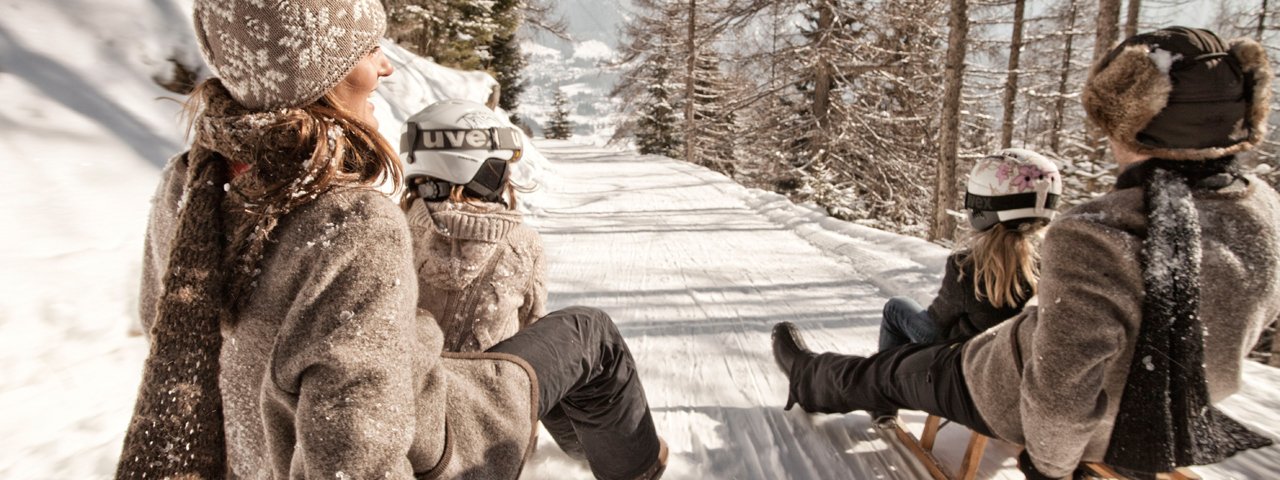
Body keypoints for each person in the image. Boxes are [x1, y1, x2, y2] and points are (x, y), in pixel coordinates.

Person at [118, 1, 666, 479]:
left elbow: (163, 323)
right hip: (437, 445)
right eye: (368, 49)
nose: (385, 67)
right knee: (589, 334)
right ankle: (640, 467)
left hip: (252, 454)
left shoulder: (190, 185)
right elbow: (357, 459)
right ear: (314, 74)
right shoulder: (351, 223)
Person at [773, 26, 1278, 479]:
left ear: (1133, 120)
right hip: (1165, 427)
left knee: (883, 372)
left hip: (1006, 390)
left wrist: (1050, 467)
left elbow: (1059, 394)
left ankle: (809, 375)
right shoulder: (1264, 215)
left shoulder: (1099, 232)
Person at [872, 148, 1059, 422]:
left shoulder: (967, 266)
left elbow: (937, 323)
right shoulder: (1052, 265)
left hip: (965, 368)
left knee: (896, 308)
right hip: (1019, 373)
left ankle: (881, 402)